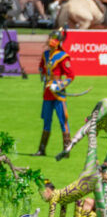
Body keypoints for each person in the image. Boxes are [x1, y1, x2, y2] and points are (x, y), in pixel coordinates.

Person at [31, 29, 75, 157]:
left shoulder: (62, 56)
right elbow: (42, 68)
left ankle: (66, 150)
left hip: (58, 93)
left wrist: (60, 84)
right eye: (51, 38)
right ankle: (41, 149)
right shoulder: (45, 55)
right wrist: (43, 75)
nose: (51, 40)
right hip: (47, 92)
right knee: (46, 121)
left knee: (63, 120)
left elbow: (71, 75)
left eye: (54, 38)